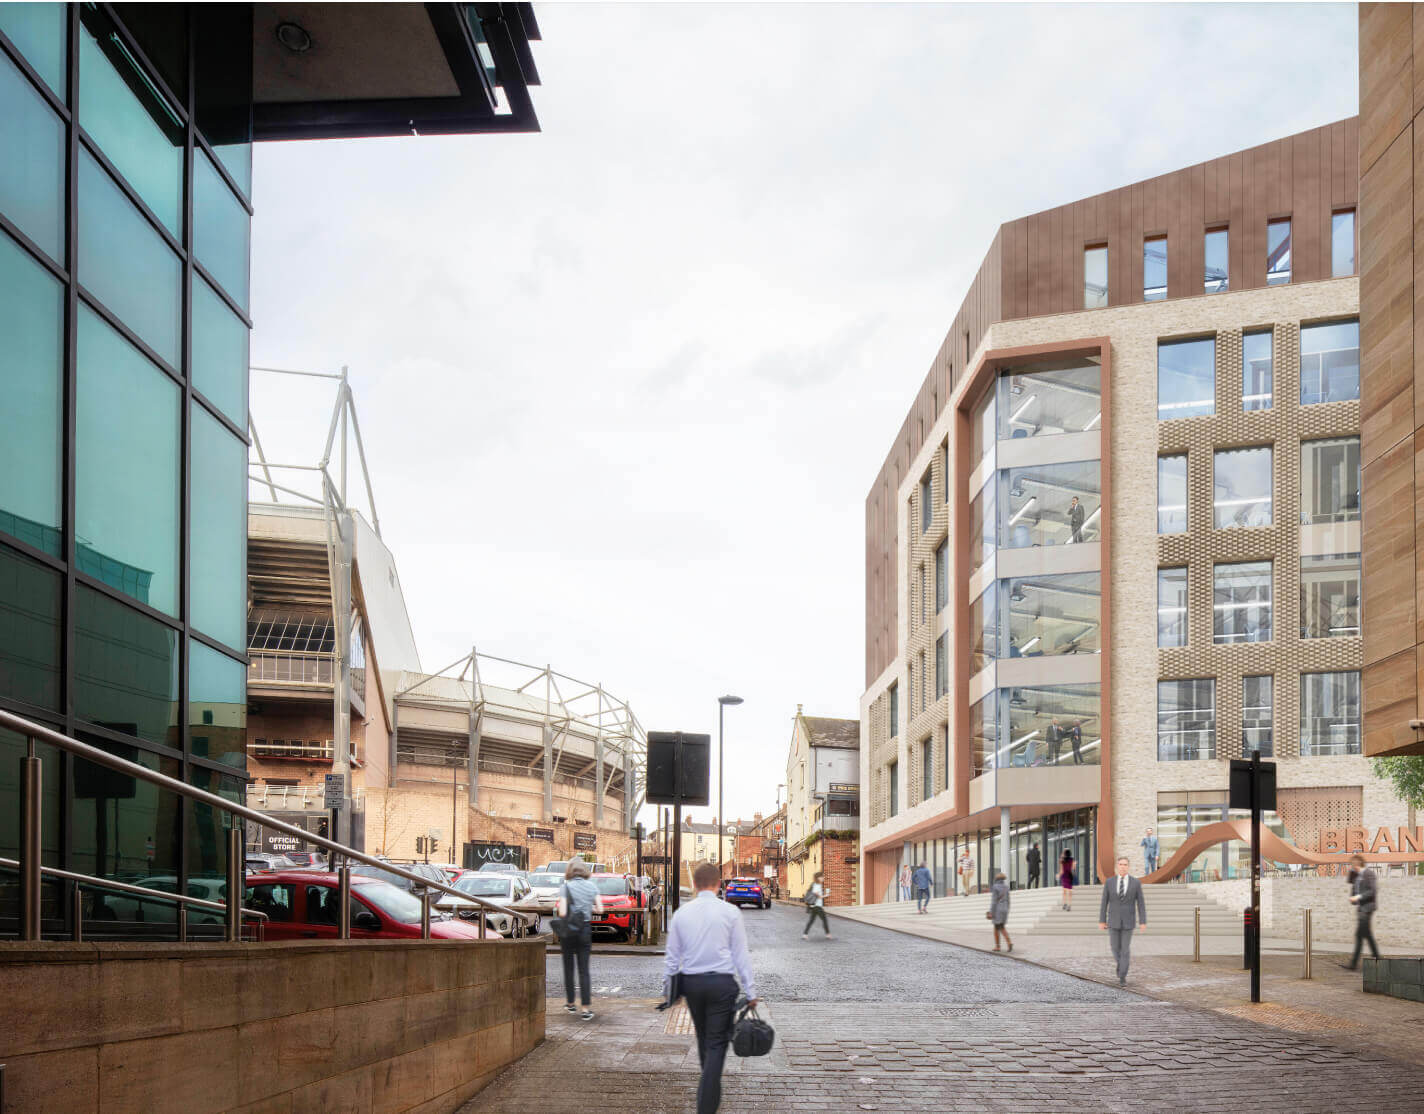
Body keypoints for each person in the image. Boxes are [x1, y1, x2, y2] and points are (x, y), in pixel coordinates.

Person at [665, 862, 759, 1114]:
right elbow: (741, 955)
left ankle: (709, 1091)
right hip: (721, 985)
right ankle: (706, 1105)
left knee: (705, 1038)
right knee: (717, 1043)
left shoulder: (681, 914)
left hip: (692, 984)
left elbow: (672, 957)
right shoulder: (730, 913)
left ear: (694, 885)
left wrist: (670, 990)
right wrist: (750, 992)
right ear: (719, 885)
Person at [557, 859, 604, 1020]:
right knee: (584, 970)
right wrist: (587, 908)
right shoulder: (592, 886)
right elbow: (601, 909)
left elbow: (562, 912)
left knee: (568, 968)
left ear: (570, 871)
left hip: (568, 931)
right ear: (584, 871)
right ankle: (585, 1009)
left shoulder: (566, 887)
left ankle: (570, 1004)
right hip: (584, 929)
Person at [1099, 856, 1147, 986]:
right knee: (1115, 948)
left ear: (1128, 866)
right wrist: (1102, 920)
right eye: (1120, 864)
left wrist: (1143, 921)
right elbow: (1104, 902)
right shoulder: (1109, 882)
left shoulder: (1135, 883)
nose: (1123, 866)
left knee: (1125, 949)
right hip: (1113, 920)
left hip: (1128, 921)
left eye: (1125, 864)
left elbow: (1141, 903)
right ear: (1117, 866)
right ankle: (1121, 965)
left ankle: (1122, 976)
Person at [1340, 854, 1380, 971]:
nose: (1351, 867)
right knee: (1366, 935)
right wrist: (1353, 896)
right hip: (1361, 909)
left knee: (1359, 936)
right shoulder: (1357, 876)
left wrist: (1358, 897)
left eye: (1352, 864)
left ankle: (1353, 964)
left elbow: (1373, 890)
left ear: (1357, 864)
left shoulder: (1369, 873)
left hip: (1367, 908)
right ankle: (1377, 958)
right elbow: (1353, 890)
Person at [803, 871, 832, 939]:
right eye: (822, 876)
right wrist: (826, 895)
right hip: (817, 906)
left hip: (814, 906)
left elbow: (815, 893)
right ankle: (828, 934)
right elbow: (816, 894)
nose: (823, 878)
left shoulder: (815, 884)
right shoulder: (817, 885)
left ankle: (805, 934)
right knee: (824, 919)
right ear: (818, 878)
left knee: (811, 920)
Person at [990, 871, 1012, 952]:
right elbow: (1008, 900)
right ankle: (1002, 944)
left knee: (999, 927)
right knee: (999, 926)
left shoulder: (995, 887)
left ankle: (1002, 944)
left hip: (998, 909)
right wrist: (1007, 909)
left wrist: (991, 912)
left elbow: (994, 901)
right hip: (1005, 909)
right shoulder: (1006, 887)